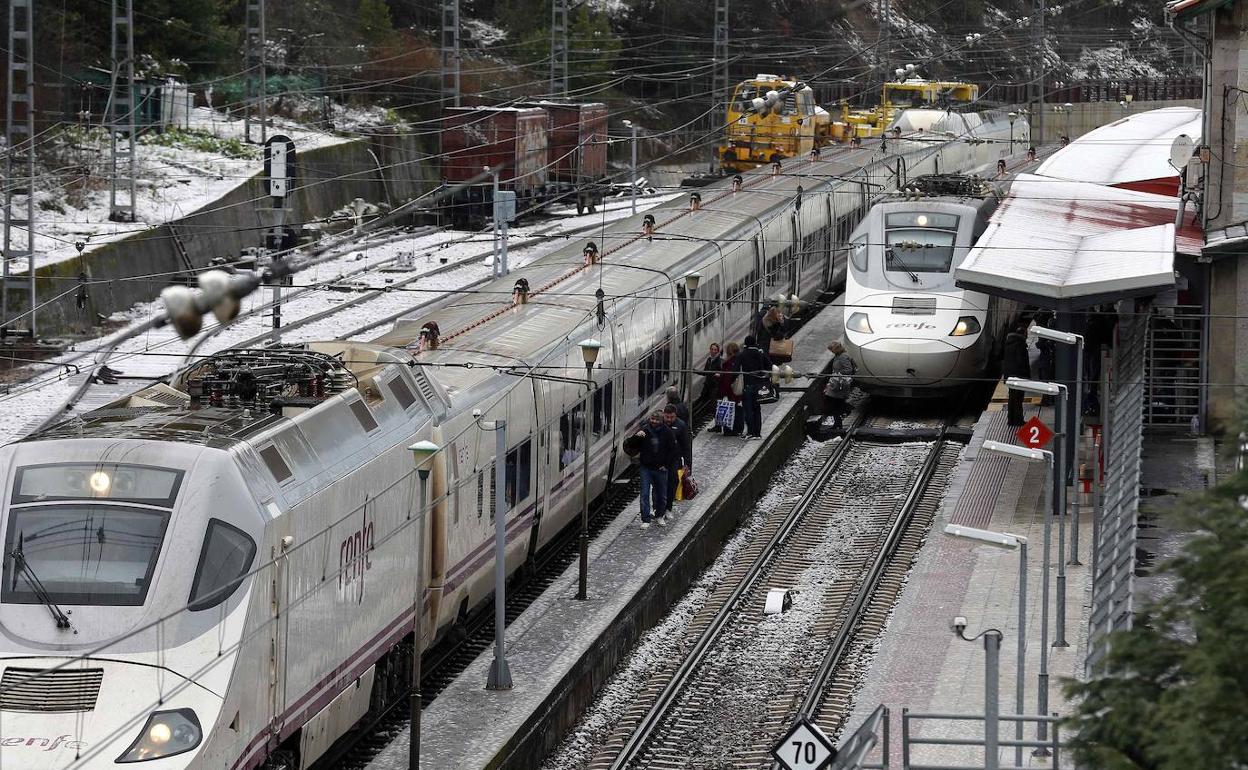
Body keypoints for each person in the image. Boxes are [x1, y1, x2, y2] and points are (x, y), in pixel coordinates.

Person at [635, 412, 676, 528]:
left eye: (656, 420)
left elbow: (672, 450)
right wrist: (637, 436)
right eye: (652, 419)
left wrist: (666, 465)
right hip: (646, 467)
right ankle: (646, 519)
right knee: (644, 494)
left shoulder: (667, 432)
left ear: (661, 421)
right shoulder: (645, 430)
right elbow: (632, 444)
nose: (654, 421)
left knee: (662, 494)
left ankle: (659, 515)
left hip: (660, 468)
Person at [734, 335, 772, 439]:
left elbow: (735, 370)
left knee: (748, 409)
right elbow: (769, 366)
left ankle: (750, 432)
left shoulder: (742, 355)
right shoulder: (761, 354)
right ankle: (757, 433)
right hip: (760, 385)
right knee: (757, 409)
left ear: (746, 343)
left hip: (748, 385)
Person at [1001, 321, 1031, 426]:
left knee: (1012, 398)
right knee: (1018, 399)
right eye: (1026, 333)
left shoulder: (1009, 343)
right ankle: (1018, 420)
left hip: (1010, 376)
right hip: (1019, 377)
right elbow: (1021, 362)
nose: (1027, 336)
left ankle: (1011, 419)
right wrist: (1026, 377)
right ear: (1023, 334)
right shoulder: (1020, 345)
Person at [663, 405, 692, 509]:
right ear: (664, 415)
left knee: (672, 482)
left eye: (672, 417)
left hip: (674, 459)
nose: (669, 420)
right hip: (660, 460)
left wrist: (687, 465)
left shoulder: (681, 425)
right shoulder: (659, 423)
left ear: (676, 415)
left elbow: (686, 446)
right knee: (658, 484)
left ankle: (668, 507)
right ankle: (658, 508)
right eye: (667, 417)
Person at [823, 341, 857, 429]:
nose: (831, 352)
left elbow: (848, 370)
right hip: (837, 383)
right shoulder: (838, 356)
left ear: (837, 349)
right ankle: (838, 423)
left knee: (832, 402)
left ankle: (847, 409)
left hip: (840, 384)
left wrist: (837, 373)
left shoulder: (843, 357)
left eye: (832, 350)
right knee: (835, 403)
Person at [717, 342, 744, 436]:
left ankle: (730, 430)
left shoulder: (728, 363)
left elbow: (726, 380)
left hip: (730, 392)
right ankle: (739, 429)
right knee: (739, 409)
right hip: (738, 391)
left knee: (729, 410)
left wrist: (722, 393)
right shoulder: (741, 361)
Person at [701, 342, 724, 413]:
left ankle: (715, 417)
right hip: (708, 384)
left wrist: (718, 374)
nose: (713, 351)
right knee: (703, 398)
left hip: (714, 385)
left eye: (715, 350)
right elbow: (705, 372)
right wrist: (694, 371)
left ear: (717, 351)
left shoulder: (719, 361)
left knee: (713, 403)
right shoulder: (709, 360)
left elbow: (722, 373)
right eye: (712, 349)